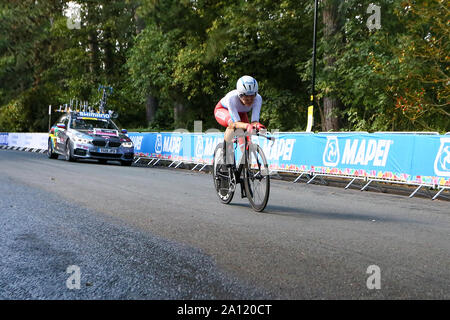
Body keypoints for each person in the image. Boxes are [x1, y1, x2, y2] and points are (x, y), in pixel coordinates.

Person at [214, 75, 266, 165]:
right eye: (246, 97)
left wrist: (258, 126)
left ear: (256, 94)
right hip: (223, 110)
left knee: (246, 141)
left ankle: (244, 168)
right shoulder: (231, 98)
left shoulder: (258, 98)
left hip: (241, 114)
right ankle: (225, 154)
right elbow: (236, 124)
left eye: (252, 97)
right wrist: (247, 126)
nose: (250, 100)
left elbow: (254, 121)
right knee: (232, 124)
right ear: (240, 95)